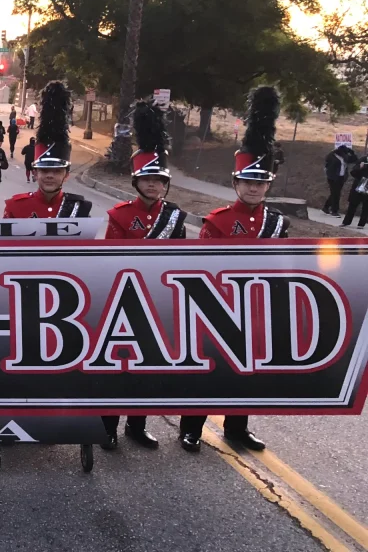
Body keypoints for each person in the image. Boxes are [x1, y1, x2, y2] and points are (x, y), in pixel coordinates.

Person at [178, 86, 289, 454]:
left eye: (261, 183)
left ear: (267, 186)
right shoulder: (218, 221)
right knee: (211, 368)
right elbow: (203, 266)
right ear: (235, 184)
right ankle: (191, 427)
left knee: (249, 371)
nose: (255, 188)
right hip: (220, 305)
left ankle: (237, 427)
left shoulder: (277, 222)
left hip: (258, 305)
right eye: (248, 182)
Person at [100, 99, 188, 452]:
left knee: (149, 367)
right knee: (118, 367)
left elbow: (182, 262)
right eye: (148, 179)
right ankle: (107, 425)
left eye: (160, 180)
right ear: (137, 181)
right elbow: (111, 260)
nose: (154, 185)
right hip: (125, 300)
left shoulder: (175, 218)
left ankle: (137, 425)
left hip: (160, 299)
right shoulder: (120, 215)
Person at [4, 81, 91, 219]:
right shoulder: (15, 207)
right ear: (35, 173)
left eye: (57, 171)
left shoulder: (80, 210)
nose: (50, 175)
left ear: (67, 174)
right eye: (44, 170)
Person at [324, 146, 357, 216]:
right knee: (336, 194)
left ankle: (326, 207)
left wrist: (352, 153)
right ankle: (334, 211)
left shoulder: (344, 157)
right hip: (332, 178)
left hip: (341, 177)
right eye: (344, 153)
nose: (345, 154)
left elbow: (354, 160)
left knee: (335, 193)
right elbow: (327, 161)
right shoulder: (332, 156)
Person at [341, 154, 368, 229]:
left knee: (366, 206)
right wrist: (360, 167)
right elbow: (353, 172)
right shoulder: (363, 159)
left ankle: (361, 224)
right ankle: (346, 222)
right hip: (359, 184)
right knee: (353, 204)